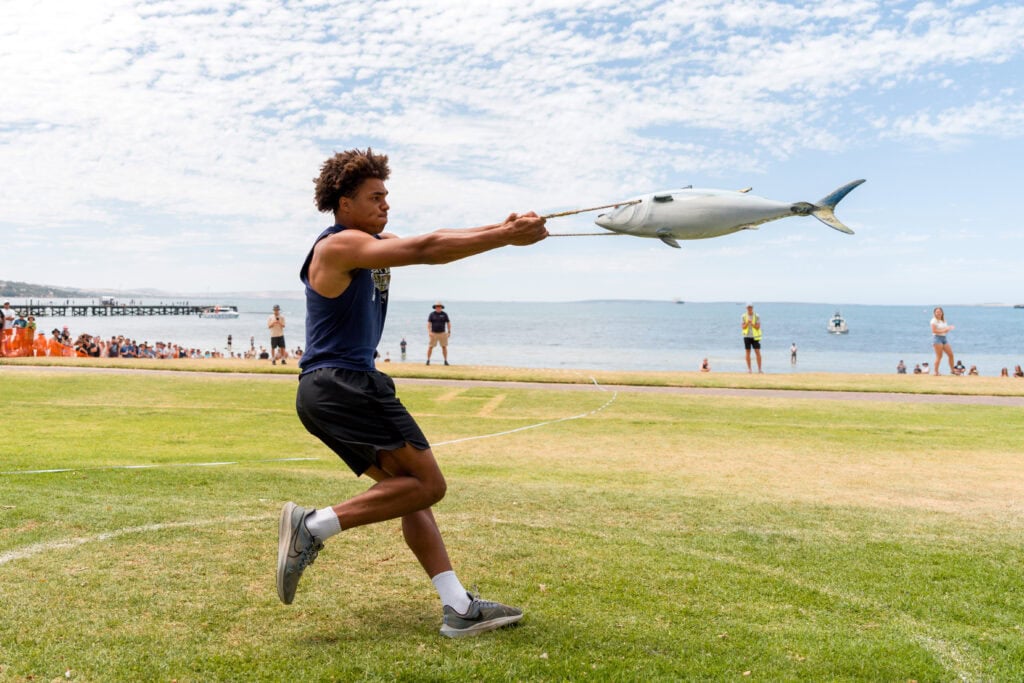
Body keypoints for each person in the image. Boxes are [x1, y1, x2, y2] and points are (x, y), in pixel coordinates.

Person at [278, 148, 546, 638]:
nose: (386, 204)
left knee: (408, 494)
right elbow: (427, 248)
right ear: (344, 203)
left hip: (331, 389)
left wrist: (502, 228)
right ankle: (312, 527)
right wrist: (507, 238)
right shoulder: (339, 246)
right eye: (375, 197)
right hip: (343, 384)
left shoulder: (371, 244)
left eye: (386, 196)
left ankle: (458, 607)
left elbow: (437, 238)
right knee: (428, 485)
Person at [930, 307, 955, 375]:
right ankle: (936, 372)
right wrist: (945, 330)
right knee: (939, 356)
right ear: (934, 313)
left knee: (951, 355)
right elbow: (934, 331)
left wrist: (948, 328)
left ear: (942, 312)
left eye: (940, 312)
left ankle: (952, 370)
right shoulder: (933, 320)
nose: (939, 313)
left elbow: (945, 330)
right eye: (937, 312)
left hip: (944, 338)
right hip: (937, 338)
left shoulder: (943, 320)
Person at [741, 303, 762, 373]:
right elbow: (743, 327)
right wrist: (747, 323)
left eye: (750, 307)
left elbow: (758, 327)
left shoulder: (756, 316)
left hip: (755, 337)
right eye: (748, 307)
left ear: (752, 308)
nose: (749, 309)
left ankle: (759, 369)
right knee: (747, 352)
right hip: (746, 336)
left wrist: (752, 324)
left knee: (757, 352)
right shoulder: (743, 316)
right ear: (746, 308)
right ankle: (749, 369)